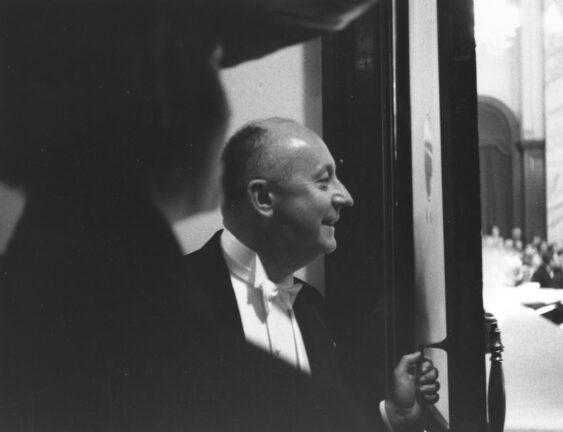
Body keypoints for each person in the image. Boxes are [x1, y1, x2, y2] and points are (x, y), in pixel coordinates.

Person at [0, 2, 379, 431]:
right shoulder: (162, 345)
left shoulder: (31, 305)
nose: (345, 197)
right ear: (162, 82)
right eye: (212, 63)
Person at [186, 118, 440, 432]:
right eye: (323, 182)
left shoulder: (312, 306)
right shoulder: (166, 301)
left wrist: (394, 415)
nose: (346, 197)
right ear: (263, 198)